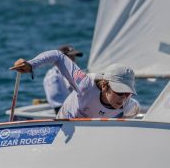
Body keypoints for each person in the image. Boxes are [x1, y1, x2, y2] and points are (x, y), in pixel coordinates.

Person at [10, 50, 140, 119]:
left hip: (92, 136)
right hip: (65, 127)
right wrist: (32, 64)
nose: (123, 98)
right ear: (105, 85)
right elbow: (58, 56)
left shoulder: (129, 106)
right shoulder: (85, 83)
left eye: (127, 93)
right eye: (119, 92)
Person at [43, 45, 82, 114]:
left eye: (74, 57)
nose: (74, 59)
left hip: (57, 109)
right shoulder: (67, 71)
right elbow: (77, 88)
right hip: (68, 110)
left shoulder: (50, 73)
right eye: (71, 57)